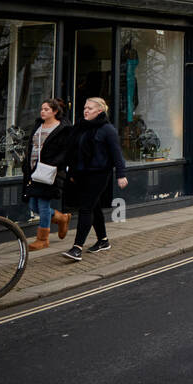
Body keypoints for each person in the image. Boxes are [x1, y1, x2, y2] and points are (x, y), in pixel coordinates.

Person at [61, 97, 128, 262]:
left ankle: (77, 248)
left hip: (99, 174)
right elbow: (71, 149)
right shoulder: (80, 126)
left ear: (100, 111)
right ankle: (103, 240)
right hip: (81, 173)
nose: (86, 110)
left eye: (90, 108)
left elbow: (116, 154)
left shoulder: (107, 129)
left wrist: (121, 174)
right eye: (85, 107)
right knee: (94, 207)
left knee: (86, 208)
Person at [21, 98, 73, 250]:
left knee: (43, 205)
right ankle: (62, 218)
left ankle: (42, 239)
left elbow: (66, 151)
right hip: (33, 171)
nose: (42, 112)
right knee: (33, 205)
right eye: (42, 109)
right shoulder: (38, 125)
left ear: (55, 112)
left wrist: (55, 164)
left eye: (46, 109)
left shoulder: (63, 128)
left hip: (50, 172)